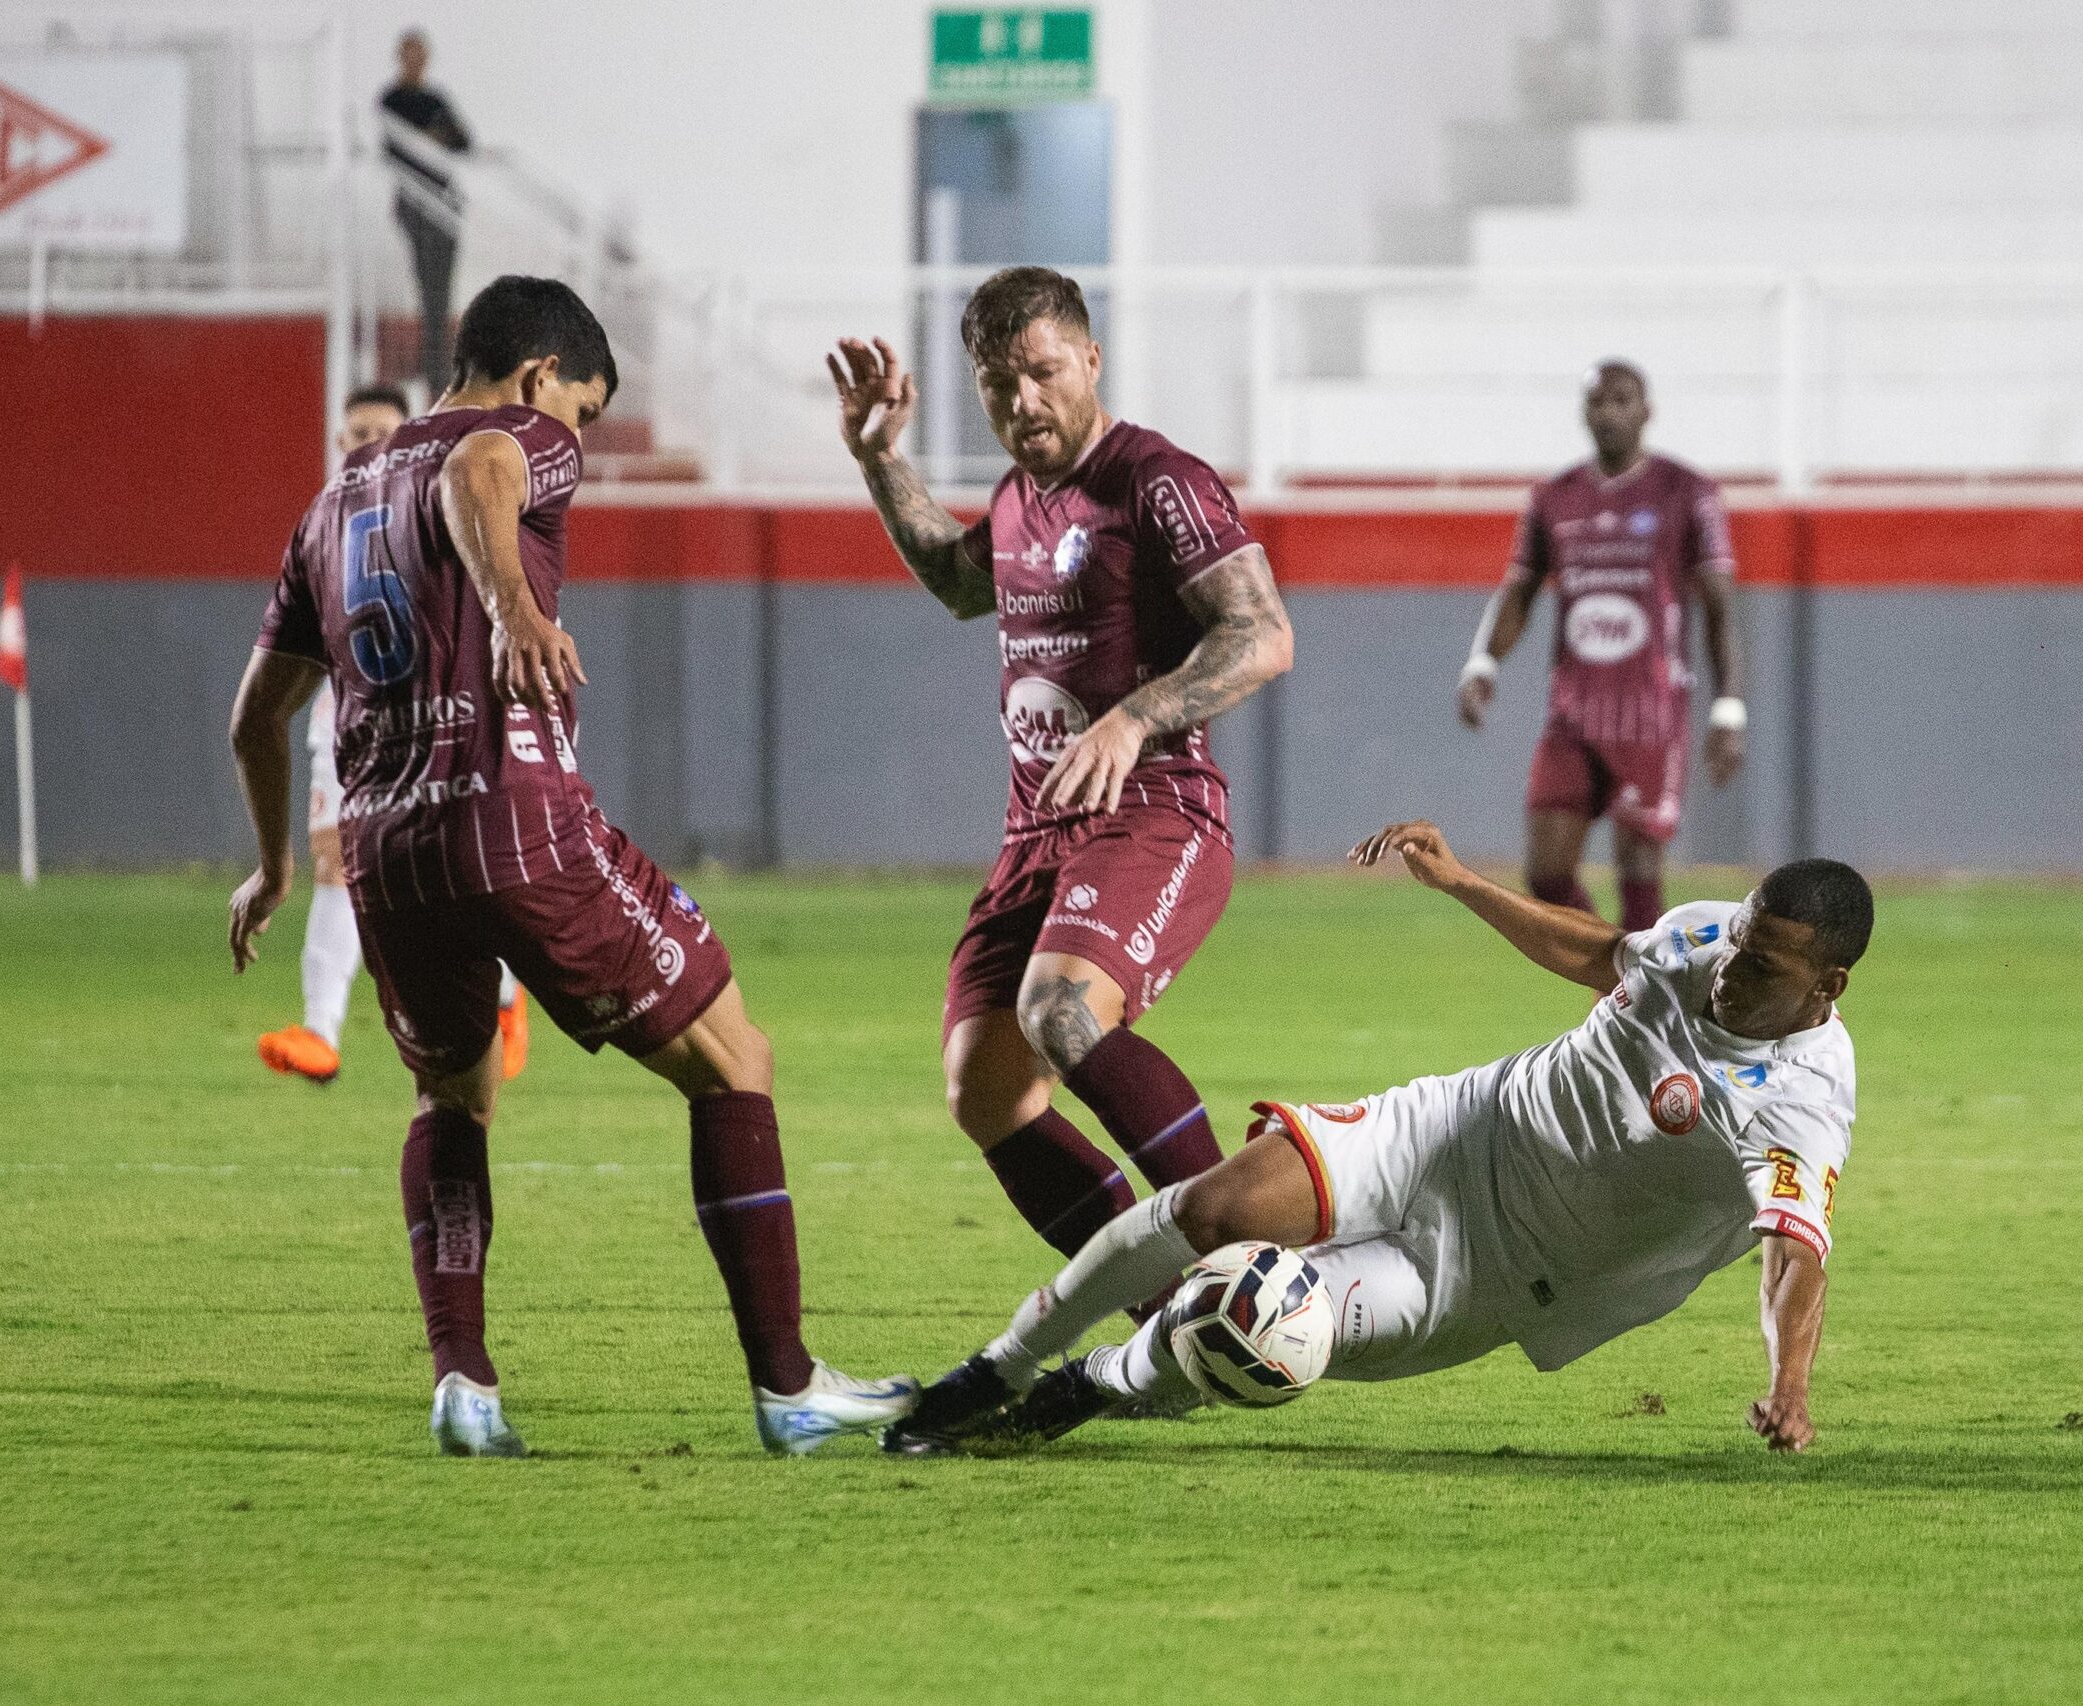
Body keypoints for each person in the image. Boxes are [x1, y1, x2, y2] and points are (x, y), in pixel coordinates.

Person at [228, 275, 913, 1456]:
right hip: (515, 817)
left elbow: (255, 714)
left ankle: (464, 1383)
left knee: (453, 1094)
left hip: (390, 849)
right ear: (543, 375)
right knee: (733, 1056)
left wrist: (273, 863)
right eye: (585, 412)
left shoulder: (326, 503)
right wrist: (509, 607)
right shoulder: (521, 431)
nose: (577, 439)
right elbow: (479, 470)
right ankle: (790, 1384)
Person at [886, 823, 1868, 1459]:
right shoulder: (1705, 938)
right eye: (1738, 937)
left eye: (1763, 963)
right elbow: (1598, 951)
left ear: (1826, 986)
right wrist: (1459, 882)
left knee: (1254, 1326)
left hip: (1497, 1273)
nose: (1730, 966)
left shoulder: (1800, 1103)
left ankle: (1089, 1383)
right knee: (1211, 1207)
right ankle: (996, 1369)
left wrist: (1788, 1385)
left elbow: (1793, 1255)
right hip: (1454, 1127)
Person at [828, 267, 1295, 1267]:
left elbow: (1261, 633)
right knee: (983, 1085)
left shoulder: (1155, 478)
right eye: (999, 383)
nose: (1023, 401)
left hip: (1154, 811)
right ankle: (1155, 1307)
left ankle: (1249, 1265)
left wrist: (1134, 717)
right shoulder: (1014, 497)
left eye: (1043, 373)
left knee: (1062, 1011)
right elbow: (960, 586)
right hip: (1035, 832)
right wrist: (879, 461)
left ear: (1089, 359)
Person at [257, 383, 532, 1087]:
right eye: (351, 433)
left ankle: (503, 995)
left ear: (408, 433)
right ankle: (320, 1030)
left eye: (378, 428)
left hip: (435, 715)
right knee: (333, 861)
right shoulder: (324, 520)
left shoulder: (437, 506)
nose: (362, 443)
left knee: (460, 866)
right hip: (346, 717)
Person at [1456, 361, 1745, 932]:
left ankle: (1637, 999)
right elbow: (1520, 588)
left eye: (1622, 400)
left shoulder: (1688, 493)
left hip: (1651, 714)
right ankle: (1625, 982)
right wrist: (1484, 662)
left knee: (1638, 867)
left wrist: (1729, 708)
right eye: (1598, 402)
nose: (1609, 413)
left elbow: (1718, 608)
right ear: (1583, 412)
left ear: (1647, 410)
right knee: (1545, 873)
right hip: (1572, 713)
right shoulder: (1553, 498)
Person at [379, 29, 471, 398]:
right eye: (409, 54)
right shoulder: (391, 98)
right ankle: (433, 372)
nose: (416, 61)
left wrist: (434, 137)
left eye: (421, 54)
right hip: (416, 203)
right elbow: (394, 148)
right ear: (400, 57)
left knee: (441, 292)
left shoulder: (436, 98)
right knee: (426, 288)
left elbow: (463, 141)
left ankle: (441, 371)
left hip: (443, 203)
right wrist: (430, 136)